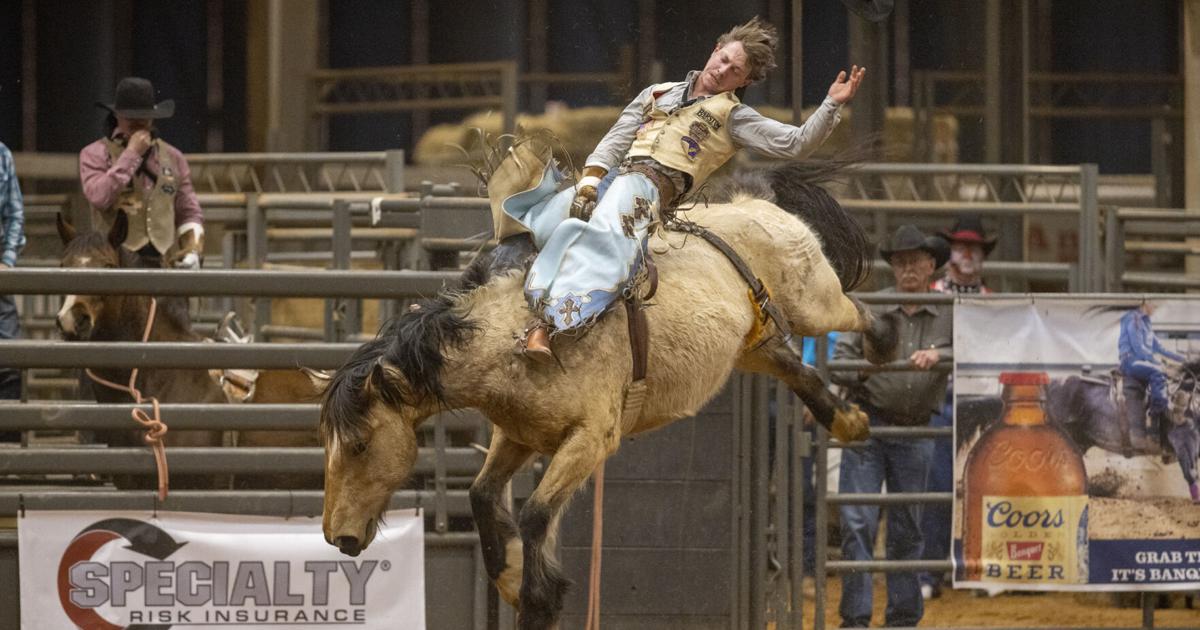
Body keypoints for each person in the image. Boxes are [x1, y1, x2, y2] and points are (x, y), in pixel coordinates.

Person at [490, 17, 865, 364]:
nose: (723, 70)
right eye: (724, 59)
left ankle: (546, 326)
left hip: (648, 190)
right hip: (614, 176)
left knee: (605, 242)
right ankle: (491, 295)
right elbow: (616, 139)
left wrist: (831, 104)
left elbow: (795, 143)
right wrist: (590, 178)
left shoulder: (733, 117)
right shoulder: (657, 94)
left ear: (744, 81)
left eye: (735, 70)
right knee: (538, 218)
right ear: (715, 50)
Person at [831, 225, 952, 628]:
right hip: (870, 422)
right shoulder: (872, 306)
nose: (908, 269)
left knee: (908, 526)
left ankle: (902, 617)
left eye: (915, 261)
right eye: (901, 262)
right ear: (893, 268)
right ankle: (856, 619)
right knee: (857, 522)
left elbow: (973, 346)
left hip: (915, 429)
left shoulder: (950, 310)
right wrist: (867, 368)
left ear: (931, 265)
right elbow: (840, 362)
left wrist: (941, 354)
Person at [919, 214, 995, 600]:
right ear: (949, 252)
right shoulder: (929, 294)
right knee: (935, 486)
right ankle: (928, 571)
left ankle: (974, 568)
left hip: (978, 401)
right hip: (937, 399)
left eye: (974, 248)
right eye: (961, 246)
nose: (967, 254)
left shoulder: (991, 301)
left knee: (978, 486)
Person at [79, 77, 204, 270]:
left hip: (163, 264)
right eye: (131, 118)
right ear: (117, 116)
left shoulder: (173, 157)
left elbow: (188, 211)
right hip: (114, 264)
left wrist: (192, 250)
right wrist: (131, 154)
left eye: (144, 117)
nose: (138, 123)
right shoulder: (95, 154)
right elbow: (99, 197)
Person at [1119, 302, 1184, 445]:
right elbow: (1138, 348)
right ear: (1144, 303)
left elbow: (1161, 349)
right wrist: (1156, 362)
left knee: (1163, 373)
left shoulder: (1147, 324)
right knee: (1158, 371)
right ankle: (1155, 415)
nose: (1155, 307)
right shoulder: (1133, 319)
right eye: (1153, 305)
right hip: (1130, 361)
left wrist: (1183, 359)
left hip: (1142, 362)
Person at [1, 141, 26, 440]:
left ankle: (6, 455)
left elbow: (15, 214)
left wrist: (6, 261)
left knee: (9, 364)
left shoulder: (2, 154)